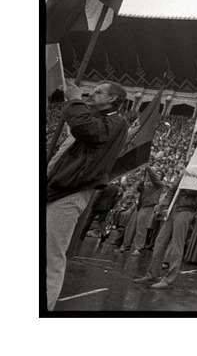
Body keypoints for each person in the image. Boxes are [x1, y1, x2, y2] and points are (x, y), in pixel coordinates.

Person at [46, 81, 129, 311]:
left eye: (98, 92)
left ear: (112, 99)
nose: (91, 94)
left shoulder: (117, 122)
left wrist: (74, 99)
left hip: (70, 193)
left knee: (50, 257)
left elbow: (85, 128)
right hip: (58, 189)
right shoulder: (99, 120)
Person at [134, 183, 197, 289]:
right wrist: (166, 206)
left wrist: (186, 181)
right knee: (160, 241)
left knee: (177, 245)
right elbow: (172, 190)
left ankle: (168, 280)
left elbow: (195, 193)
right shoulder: (185, 175)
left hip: (186, 211)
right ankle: (153, 274)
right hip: (174, 209)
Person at [116, 166, 164, 255]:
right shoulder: (146, 182)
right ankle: (126, 245)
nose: (155, 174)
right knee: (131, 226)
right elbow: (139, 190)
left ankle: (138, 248)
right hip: (140, 205)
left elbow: (154, 178)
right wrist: (141, 183)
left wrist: (148, 168)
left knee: (141, 227)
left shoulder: (158, 184)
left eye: (158, 173)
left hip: (148, 205)